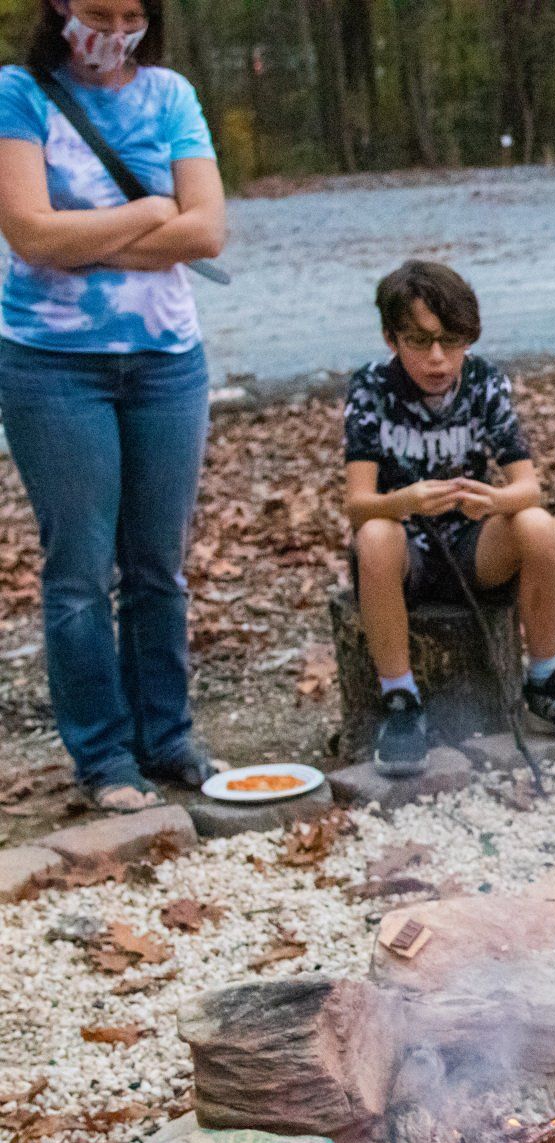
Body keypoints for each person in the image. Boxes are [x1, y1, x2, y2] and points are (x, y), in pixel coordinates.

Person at [0, 0, 226, 812]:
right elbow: (31, 235)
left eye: (132, 14)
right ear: (62, 5)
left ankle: (167, 737)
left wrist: (86, 238)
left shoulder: (170, 95)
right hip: (52, 366)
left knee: (157, 567)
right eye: (99, 11)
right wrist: (149, 214)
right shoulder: (20, 93)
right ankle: (104, 757)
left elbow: (206, 233)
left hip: (167, 362)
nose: (115, 28)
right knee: (80, 572)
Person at [344, 261, 555, 776]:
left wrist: (495, 500)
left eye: (451, 341)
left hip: (474, 548)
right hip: (406, 554)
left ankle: (546, 681)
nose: (438, 358)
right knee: (374, 535)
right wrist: (404, 501)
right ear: (390, 339)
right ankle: (400, 699)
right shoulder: (371, 387)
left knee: (538, 525)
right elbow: (357, 504)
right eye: (419, 341)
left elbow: (528, 487)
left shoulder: (484, 381)